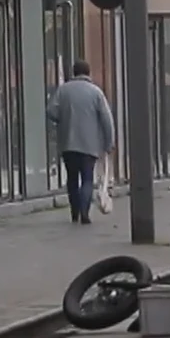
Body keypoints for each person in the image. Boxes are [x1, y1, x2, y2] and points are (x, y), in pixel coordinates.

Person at [49, 61, 116, 224]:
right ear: (88, 73)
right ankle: (85, 213)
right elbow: (107, 119)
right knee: (87, 179)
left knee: (72, 178)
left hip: (68, 144)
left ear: (73, 72)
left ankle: (75, 211)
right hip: (89, 144)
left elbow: (51, 110)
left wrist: (60, 119)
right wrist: (109, 142)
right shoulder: (96, 92)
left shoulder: (63, 90)